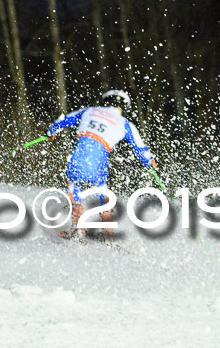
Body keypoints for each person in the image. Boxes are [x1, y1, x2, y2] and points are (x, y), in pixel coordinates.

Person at [46, 90, 157, 239]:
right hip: (99, 161)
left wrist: (51, 132)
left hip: (78, 157)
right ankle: (107, 231)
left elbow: (63, 121)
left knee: (73, 183)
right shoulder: (125, 123)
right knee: (101, 189)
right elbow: (140, 149)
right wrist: (150, 162)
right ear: (123, 107)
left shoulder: (89, 110)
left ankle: (77, 228)